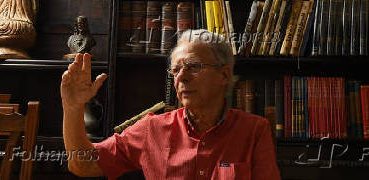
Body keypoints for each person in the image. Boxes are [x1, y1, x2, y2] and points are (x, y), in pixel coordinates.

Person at [61, 29, 281, 179]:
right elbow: (83, 164)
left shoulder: (254, 131)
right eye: (176, 70)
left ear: (224, 75)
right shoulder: (152, 129)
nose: (181, 77)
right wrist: (72, 108)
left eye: (193, 66)